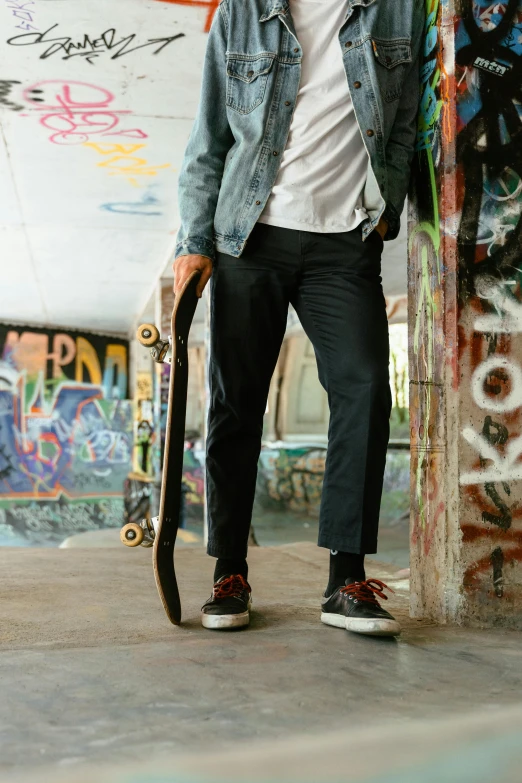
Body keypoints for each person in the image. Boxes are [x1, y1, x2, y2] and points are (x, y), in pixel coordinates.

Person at [173, 0, 424, 636]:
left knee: (365, 387)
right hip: (249, 237)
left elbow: (402, 119)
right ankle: (230, 571)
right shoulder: (244, 13)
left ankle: (346, 579)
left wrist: (386, 203)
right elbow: (210, 138)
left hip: (344, 244)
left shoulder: (398, 9)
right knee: (236, 404)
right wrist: (193, 243)